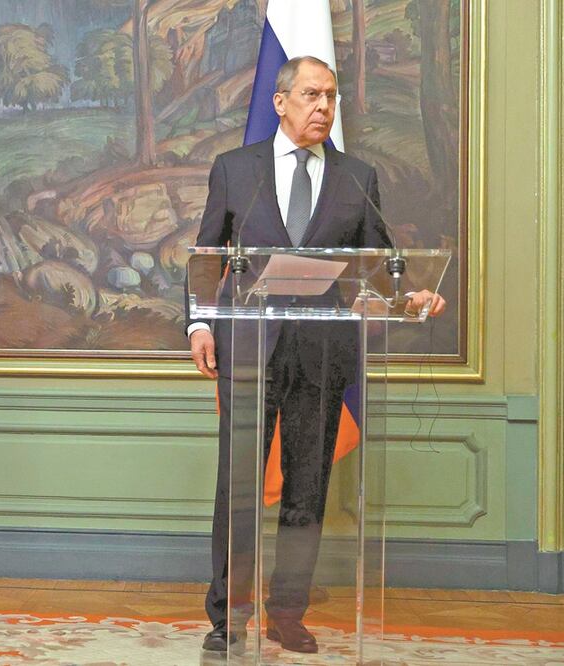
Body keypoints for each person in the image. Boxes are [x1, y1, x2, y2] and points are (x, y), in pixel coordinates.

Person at [186, 56, 446, 655]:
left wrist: (412, 295)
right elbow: (208, 253)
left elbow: (379, 269)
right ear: (280, 103)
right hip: (250, 346)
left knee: (308, 486)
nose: (324, 107)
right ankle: (229, 619)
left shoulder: (357, 176)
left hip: (323, 354)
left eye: (330, 96)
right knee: (240, 486)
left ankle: (288, 612)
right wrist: (200, 322)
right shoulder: (234, 170)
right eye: (311, 95)